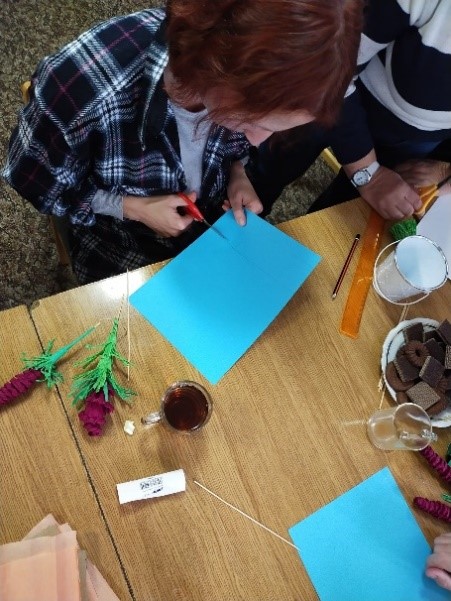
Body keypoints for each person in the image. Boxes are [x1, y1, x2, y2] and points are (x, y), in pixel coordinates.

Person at [1, 0, 362, 284]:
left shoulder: (242, 84)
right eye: (251, 119)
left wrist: (237, 172)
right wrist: (132, 207)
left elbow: (238, 143)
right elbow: (38, 184)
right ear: (218, 65)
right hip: (114, 237)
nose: (257, 140)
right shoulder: (82, 88)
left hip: (201, 225)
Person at [247, 0, 451, 222]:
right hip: (336, 98)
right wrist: (368, 174)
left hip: (414, 140)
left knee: (346, 218)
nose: (254, 135)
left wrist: (445, 166)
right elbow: (330, 71)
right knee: (269, 168)